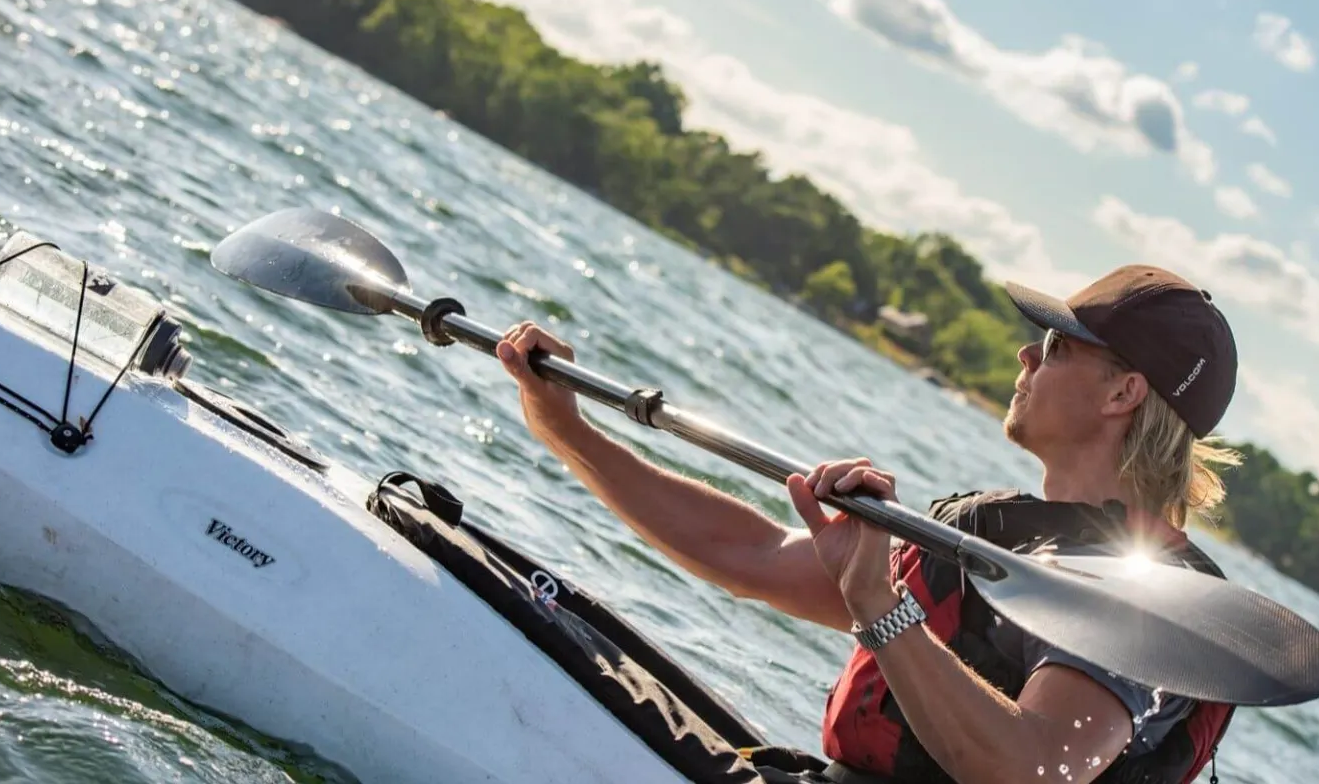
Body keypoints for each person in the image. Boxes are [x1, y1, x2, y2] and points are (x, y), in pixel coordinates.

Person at [495, 264, 1244, 784]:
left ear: (1123, 394)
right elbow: (749, 554)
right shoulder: (1001, 535)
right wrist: (569, 431)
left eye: (1055, 346)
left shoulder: (1151, 601)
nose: (1024, 354)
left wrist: (881, 608)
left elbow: (1032, 770)